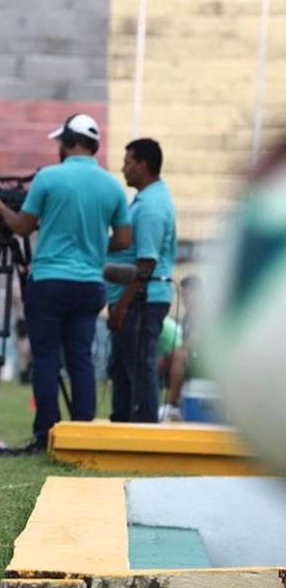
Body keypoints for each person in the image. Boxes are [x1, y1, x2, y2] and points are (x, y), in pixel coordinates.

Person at [0, 113, 131, 451]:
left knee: (46, 359)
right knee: (81, 359)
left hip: (49, 280)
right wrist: (89, 242)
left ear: (71, 142)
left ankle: (45, 432)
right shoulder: (111, 185)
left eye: (61, 141)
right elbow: (122, 240)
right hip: (90, 283)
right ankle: (82, 432)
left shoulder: (49, 178)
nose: (59, 147)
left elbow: (22, 227)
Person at [106, 138, 176, 424]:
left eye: (128, 163)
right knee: (122, 367)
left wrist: (122, 306)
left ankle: (144, 426)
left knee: (140, 366)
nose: (123, 169)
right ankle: (122, 422)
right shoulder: (145, 200)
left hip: (142, 300)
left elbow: (145, 264)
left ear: (143, 165)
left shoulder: (151, 207)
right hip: (134, 299)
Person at [159, 275, 200, 421]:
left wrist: (182, 348)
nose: (183, 299)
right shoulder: (188, 316)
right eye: (182, 295)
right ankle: (146, 404)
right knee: (161, 360)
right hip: (194, 357)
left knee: (179, 355)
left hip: (209, 359)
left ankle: (172, 406)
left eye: (187, 294)